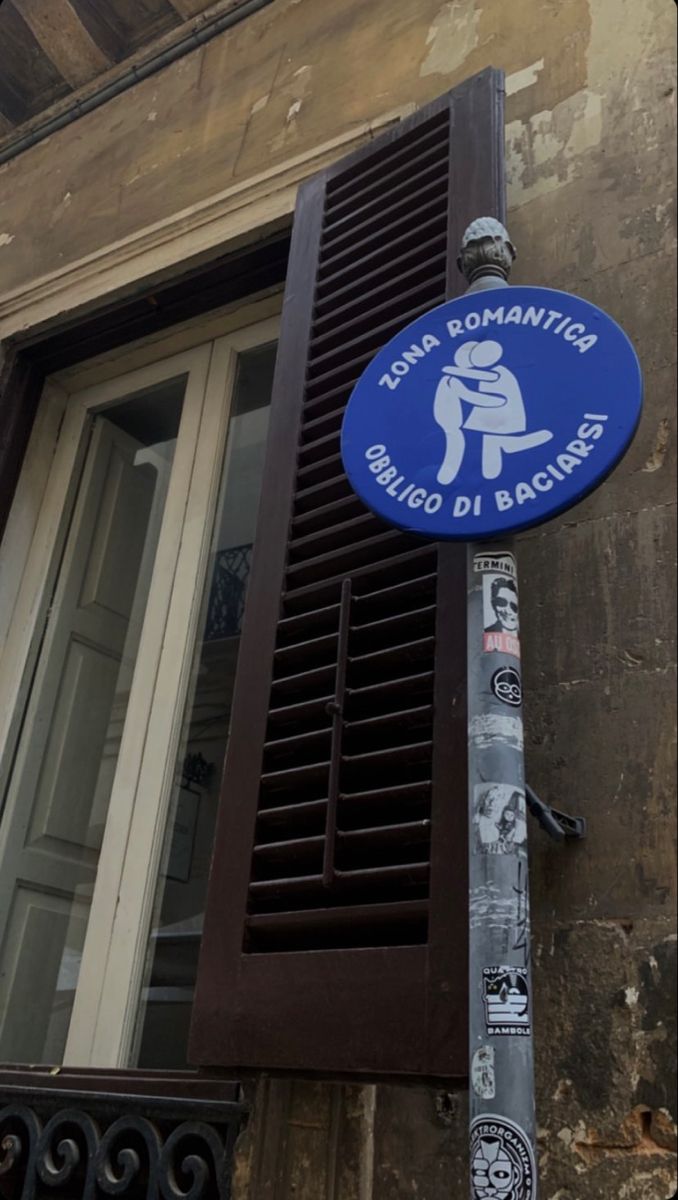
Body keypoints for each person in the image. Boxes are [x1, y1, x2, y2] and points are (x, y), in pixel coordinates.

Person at [433, 339, 553, 484]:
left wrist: (457, 380)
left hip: (502, 411)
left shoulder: (498, 372)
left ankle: (509, 445)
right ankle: (507, 445)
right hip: (490, 411)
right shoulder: (488, 373)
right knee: (489, 441)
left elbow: (485, 379)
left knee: (485, 435)